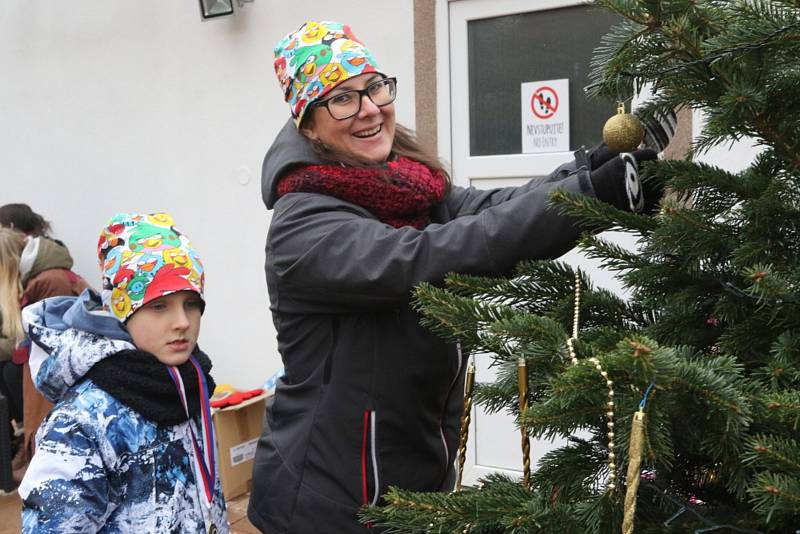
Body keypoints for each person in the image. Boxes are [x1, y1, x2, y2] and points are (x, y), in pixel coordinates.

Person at [248, 20, 670, 533]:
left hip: (415, 482)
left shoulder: (407, 188)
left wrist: (589, 168)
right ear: (308, 125)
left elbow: (488, 208)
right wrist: (588, 198)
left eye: (374, 87)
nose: (369, 109)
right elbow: (433, 255)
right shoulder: (303, 225)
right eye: (341, 99)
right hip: (327, 502)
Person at [19, 212, 228, 533]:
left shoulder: (189, 383)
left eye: (190, 303)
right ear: (120, 311)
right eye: (159, 306)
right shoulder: (82, 421)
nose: (183, 322)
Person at [0, 220, 89, 483]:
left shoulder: (48, 281)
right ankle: (26, 446)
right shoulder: (40, 277)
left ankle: (34, 451)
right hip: (57, 358)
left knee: (18, 370)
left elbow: (50, 341)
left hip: (69, 363)